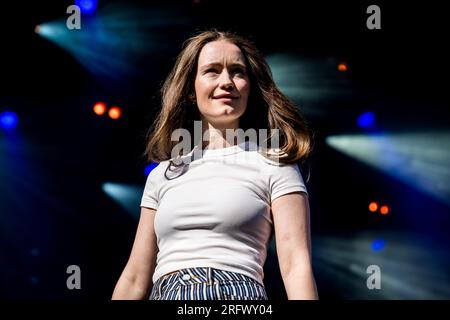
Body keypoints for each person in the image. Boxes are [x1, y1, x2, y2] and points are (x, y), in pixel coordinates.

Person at [112, 29, 318, 300]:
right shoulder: (163, 174)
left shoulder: (275, 165)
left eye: (237, 71)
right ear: (190, 90)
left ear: (250, 88)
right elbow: (135, 277)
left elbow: (296, 267)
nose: (227, 81)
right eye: (212, 71)